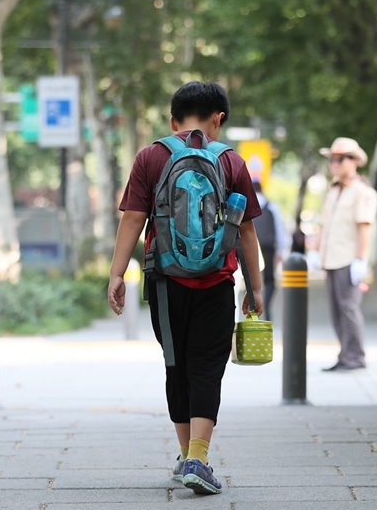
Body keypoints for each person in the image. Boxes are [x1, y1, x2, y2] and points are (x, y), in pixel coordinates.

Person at [107, 81, 264, 495]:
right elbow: (246, 231)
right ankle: (198, 456)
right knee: (208, 366)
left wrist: (117, 274)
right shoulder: (230, 161)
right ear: (219, 118)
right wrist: (256, 286)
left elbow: (132, 219)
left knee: (176, 366)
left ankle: (186, 457)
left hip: (163, 282)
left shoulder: (151, 156)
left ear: (173, 120)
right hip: (216, 282)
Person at [317, 137, 377, 372]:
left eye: (339, 159)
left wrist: (360, 260)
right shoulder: (334, 190)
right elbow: (325, 225)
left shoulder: (362, 192)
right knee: (336, 310)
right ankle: (345, 354)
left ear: (353, 161)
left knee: (348, 309)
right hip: (331, 259)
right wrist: (316, 250)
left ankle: (355, 357)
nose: (334, 163)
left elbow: (365, 227)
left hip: (347, 259)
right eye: (332, 159)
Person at [251, 179, 286, 321]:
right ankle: (266, 305)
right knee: (270, 280)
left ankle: (253, 308)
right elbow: (279, 230)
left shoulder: (247, 205)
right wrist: (281, 251)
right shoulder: (271, 206)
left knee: (253, 278)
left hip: (252, 247)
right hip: (268, 247)